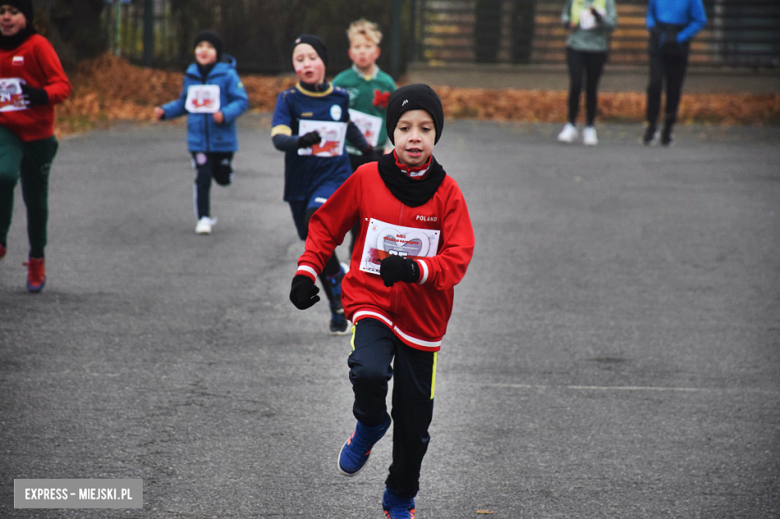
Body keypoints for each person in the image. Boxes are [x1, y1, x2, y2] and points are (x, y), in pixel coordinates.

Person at [288, 84, 475, 519]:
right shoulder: (367, 178)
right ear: (392, 132)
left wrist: (415, 269)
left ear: (435, 135)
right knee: (369, 370)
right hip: (370, 301)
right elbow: (324, 226)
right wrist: (306, 272)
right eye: (405, 127)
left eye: (425, 128)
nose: (415, 136)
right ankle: (370, 422)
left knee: (414, 425)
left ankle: (399, 497)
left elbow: (458, 257)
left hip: (422, 320)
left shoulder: (447, 193)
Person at [271, 34, 377, 335]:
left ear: (323, 62)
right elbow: (278, 137)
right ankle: (337, 300)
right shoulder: (288, 100)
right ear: (294, 66)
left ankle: (340, 301)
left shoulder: (339, 96)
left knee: (317, 221)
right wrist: (299, 140)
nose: (306, 64)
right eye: (299, 59)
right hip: (299, 183)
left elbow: (347, 124)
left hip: (334, 177)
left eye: (312, 58)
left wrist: (368, 151)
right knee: (316, 245)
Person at [0, 0, 71, 292]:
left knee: (36, 202)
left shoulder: (37, 46)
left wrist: (41, 95)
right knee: (3, 174)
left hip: (39, 136)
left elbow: (62, 86)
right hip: (6, 128)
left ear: (26, 19)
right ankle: (1, 240)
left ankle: (37, 258)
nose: (6, 17)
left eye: (13, 12)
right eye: (1, 11)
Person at [154, 30, 248, 234]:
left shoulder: (228, 75)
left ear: (217, 52)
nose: (203, 50)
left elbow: (241, 100)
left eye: (209, 46)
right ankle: (203, 218)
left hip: (222, 139)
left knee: (222, 178)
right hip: (198, 139)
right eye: (199, 46)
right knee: (203, 175)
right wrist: (165, 112)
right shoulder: (191, 75)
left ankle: (225, 171)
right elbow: (184, 103)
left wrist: (224, 114)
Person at [331, 19, 397, 252]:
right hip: (346, 153)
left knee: (369, 208)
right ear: (350, 52)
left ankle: (357, 259)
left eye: (367, 47)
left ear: (377, 52)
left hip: (375, 154)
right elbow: (331, 116)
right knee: (347, 206)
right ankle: (340, 255)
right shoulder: (340, 82)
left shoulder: (387, 83)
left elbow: (396, 119)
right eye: (357, 47)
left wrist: (391, 146)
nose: (362, 52)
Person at [642, 0, 706, 146]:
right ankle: (652, 125)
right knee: (654, 84)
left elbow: (700, 20)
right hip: (658, 43)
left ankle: (668, 127)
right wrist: (651, 27)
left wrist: (679, 38)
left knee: (673, 88)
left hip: (678, 46)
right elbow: (650, 14)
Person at [557, 0, 617, 146]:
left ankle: (590, 126)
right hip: (575, 47)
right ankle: (571, 124)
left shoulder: (606, 2)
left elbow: (612, 24)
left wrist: (598, 17)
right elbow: (565, 14)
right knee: (576, 84)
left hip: (597, 50)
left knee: (591, 88)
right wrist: (567, 23)